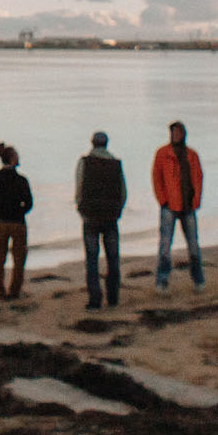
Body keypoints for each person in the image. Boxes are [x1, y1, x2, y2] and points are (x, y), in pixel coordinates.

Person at [152, 120, 206, 292]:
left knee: (193, 245)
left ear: (184, 134)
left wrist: (196, 200)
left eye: (179, 132)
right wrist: (163, 200)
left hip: (188, 206)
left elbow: (199, 177)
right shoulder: (163, 153)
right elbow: (156, 178)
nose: (176, 135)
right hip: (169, 206)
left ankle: (198, 280)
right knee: (165, 245)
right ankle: (162, 280)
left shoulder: (192, 155)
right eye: (174, 132)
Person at [75, 130, 124, 310]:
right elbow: (123, 191)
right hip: (110, 216)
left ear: (92, 143)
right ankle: (113, 296)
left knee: (92, 259)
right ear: (106, 143)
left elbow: (79, 187)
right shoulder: (115, 164)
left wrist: (80, 208)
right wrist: (118, 210)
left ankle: (95, 298)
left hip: (91, 216)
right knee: (113, 257)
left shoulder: (85, 162)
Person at [0, 142, 33, 299]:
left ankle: (0, 290)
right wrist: (20, 211)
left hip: (1, 221)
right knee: (19, 258)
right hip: (18, 222)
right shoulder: (21, 180)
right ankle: (14, 290)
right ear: (12, 158)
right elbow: (29, 203)